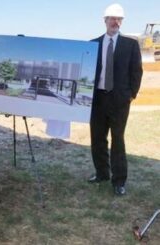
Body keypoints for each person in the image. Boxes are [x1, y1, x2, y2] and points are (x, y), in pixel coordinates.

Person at [88, 3, 143, 196]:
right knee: (97, 138)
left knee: (117, 140)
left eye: (119, 19)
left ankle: (119, 181)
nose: (115, 22)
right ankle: (102, 173)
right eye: (112, 18)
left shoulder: (131, 44)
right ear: (105, 20)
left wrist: (131, 94)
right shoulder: (93, 44)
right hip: (98, 99)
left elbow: (136, 72)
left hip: (119, 101)